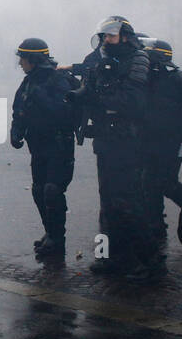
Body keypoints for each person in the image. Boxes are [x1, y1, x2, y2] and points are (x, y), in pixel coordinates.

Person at [68, 16, 157, 280]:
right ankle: (112, 257)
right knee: (108, 202)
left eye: (112, 36)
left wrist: (97, 98)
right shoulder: (104, 60)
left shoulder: (138, 59)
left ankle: (149, 261)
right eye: (104, 36)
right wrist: (80, 95)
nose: (107, 40)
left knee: (128, 201)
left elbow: (131, 101)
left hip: (127, 141)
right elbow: (93, 87)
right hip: (106, 140)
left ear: (126, 37)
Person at [10, 38, 77, 258]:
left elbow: (63, 114)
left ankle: (58, 239)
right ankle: (50, 233)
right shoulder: (29, 81)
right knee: (39, 190)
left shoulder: (58, 80)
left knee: (52, 191)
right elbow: (19, 107)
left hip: (59, 145)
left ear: (34, 59)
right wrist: (16, 131)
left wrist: (42, 97)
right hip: (38, 146)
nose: (20, 63)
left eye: (23, 58)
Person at [140, 37, 182, 251]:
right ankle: (155, 225)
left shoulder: (177, 77)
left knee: (167, 182)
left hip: (173, 138)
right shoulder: (143, 77)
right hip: (148, 138)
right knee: (149, 182)